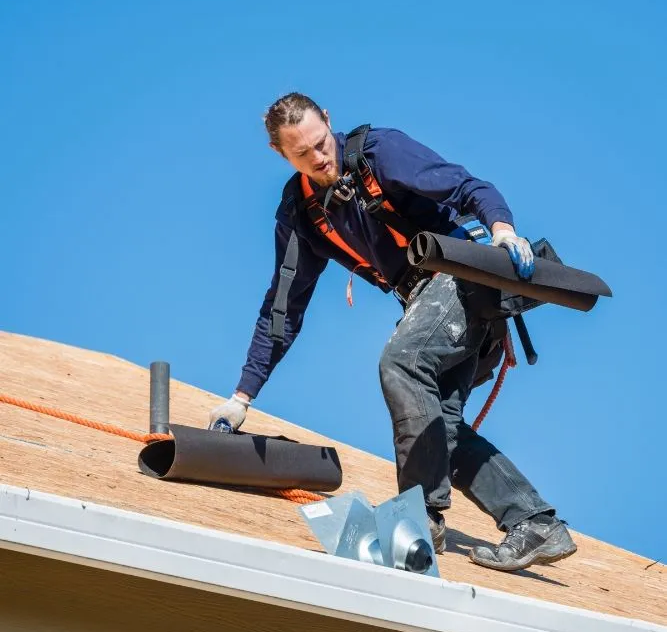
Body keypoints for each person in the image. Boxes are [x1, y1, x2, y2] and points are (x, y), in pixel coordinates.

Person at [209, 93, 576, 573]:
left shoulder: (380, 153)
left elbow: (468, 186)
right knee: (435, 426)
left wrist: (503, 230)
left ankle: (420, 519)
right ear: (282, 155)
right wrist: (242, 396)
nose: (319, 159)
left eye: (321, 143)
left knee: (401, 363)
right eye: (303, 154)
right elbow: (283, 306)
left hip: (461, 276)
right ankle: (534, 522)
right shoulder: (302, 212)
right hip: (425, 299)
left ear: (328, 122)